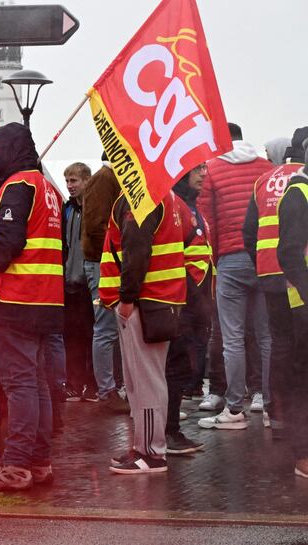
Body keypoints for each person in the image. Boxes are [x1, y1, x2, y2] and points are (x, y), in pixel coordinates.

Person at [0, 122, 64, 490]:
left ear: (6, 149)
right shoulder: (47, 188)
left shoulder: (17, 185)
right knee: (35, 383)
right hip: (44, 298)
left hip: (14, 297)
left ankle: (17, 464)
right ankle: (38, 461)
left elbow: (6, 244)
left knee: (19, 384)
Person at [100, 190, 187, 474]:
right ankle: (145, 447)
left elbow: (136, 250)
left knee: (144, 382)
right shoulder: (167, 196)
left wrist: (126, 297)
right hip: (160, 300)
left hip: (143, 302)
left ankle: (149, 452)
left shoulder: (141, 196)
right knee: (147, 379)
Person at [197, 123, 273, 430]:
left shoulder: (212, 169)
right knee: (266, 336)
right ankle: (270, 406)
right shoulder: (266, 166)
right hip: (264, 259)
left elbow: (206, 220)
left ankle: (234, 409)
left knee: (232, 338)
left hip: (229, 258)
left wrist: (213, 259)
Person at [242, 128, 307, 435]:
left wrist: (260, 260)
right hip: (299, 274)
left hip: (270, 271)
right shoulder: (303, 182)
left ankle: (277, 414)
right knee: (299, 348)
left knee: (278, 344)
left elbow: (248, 231)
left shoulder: (263, 180)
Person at [166, 165, 211, 455]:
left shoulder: (191, 205)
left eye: (205, 167)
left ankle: (171, 430)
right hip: (181, 303)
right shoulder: (175, 205)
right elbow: (171, 257)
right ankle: (168, 432)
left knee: (183, 368)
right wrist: (192, 298)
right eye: (197, 169)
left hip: (194, 303)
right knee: (175, 368)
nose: (204, 174)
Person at [81, 153, 128, 411]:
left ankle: (112, 387)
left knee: (110, 327)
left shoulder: (108, 178)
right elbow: (98, 225)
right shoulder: (105, 179)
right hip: (103, 263)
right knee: (106, 327)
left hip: (107, 262)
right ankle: (107, 390)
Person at [276, 140, 308, 477]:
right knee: (304, 380)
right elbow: (289, 253)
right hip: (304, 307)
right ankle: (303, 454)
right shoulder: (299, 194)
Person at [61, 162, 97, 402]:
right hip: (70, 282)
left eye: (74, 181)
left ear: (86, 180)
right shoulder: (68, 209)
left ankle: (93, 385)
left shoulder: (95, 208)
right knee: (73, 337)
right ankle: (74, 383)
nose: (70, 186)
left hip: (91, 283)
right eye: (67, 181)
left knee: (94, 336)